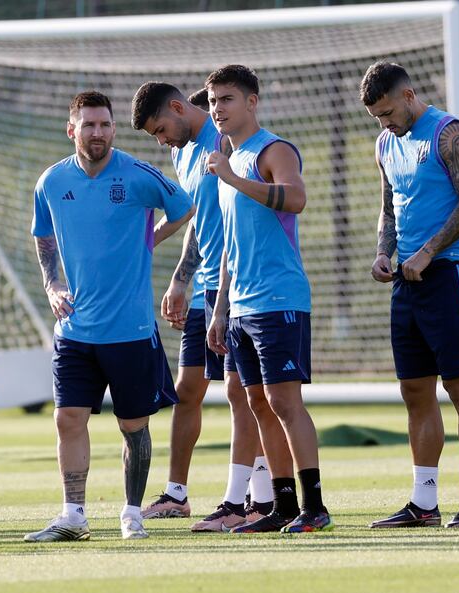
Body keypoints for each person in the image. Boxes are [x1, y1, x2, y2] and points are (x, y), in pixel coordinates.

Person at [25, 91, 194, 542]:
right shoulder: (51, 181)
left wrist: (150, 239)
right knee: (67, 419)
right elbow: (43, 236)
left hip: (130, 330)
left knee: (133, 426)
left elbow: (186, 209)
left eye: (104, 125)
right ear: (72, 130)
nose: (97, 133)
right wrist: (52, 284)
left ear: (113, 129)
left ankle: (132, 514)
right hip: (75, 330)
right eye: (88, 125)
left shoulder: (139, 175)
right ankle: (73, 515)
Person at [130, 82, 272, 531]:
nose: (161, 140)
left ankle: (256, 496)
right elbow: (198, 216)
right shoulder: (182, 152)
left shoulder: (224, 141)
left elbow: (235, 221)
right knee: (188, 388)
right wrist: (181, 277)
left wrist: (222, 295)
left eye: (160, 129)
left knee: (242, 392)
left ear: (178, 108)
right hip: (205, 285)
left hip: (233, 287)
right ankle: (177, 493)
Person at [360, 61, 459, 529]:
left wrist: (430, 252)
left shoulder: (449, 133)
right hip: (407, 280)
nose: (385, 122)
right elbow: (388, 207)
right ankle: (424, 503)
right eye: (377, 116)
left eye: (389, 111)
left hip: (451, 273)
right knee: (415, 390)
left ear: (410, 95)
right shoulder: (384, 143)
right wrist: (384, 252)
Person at [206, 64, 332, 533]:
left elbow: (296, 199)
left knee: (284, 403)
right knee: (256, 403)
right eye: (213, 101)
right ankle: (280, 505)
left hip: (279, 298)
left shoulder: (273, 149)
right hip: (239, 306)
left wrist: (233, 179)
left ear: (252, 102)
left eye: (227, 99)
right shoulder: (225, 157)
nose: (218, 108)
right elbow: (230, 247)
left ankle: (314, 508)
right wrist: (219, 309)